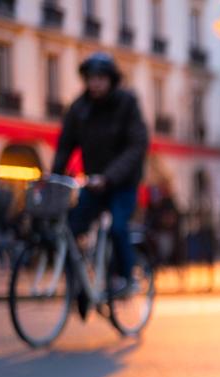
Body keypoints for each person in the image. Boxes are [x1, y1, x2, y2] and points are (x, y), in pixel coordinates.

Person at [51, 52, 149, 296]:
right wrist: (54, 178)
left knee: (118, 227)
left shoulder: (127, 103)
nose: (95, 83)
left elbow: (136, 146)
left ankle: (127, 277)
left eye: (101, 78)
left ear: (111, 80)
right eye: (91, 78)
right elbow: (65, 146)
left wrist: (110, 177)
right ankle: (78, 285)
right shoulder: (79, 108)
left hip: (122, 182)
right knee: (72, 228)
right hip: (93, 183)